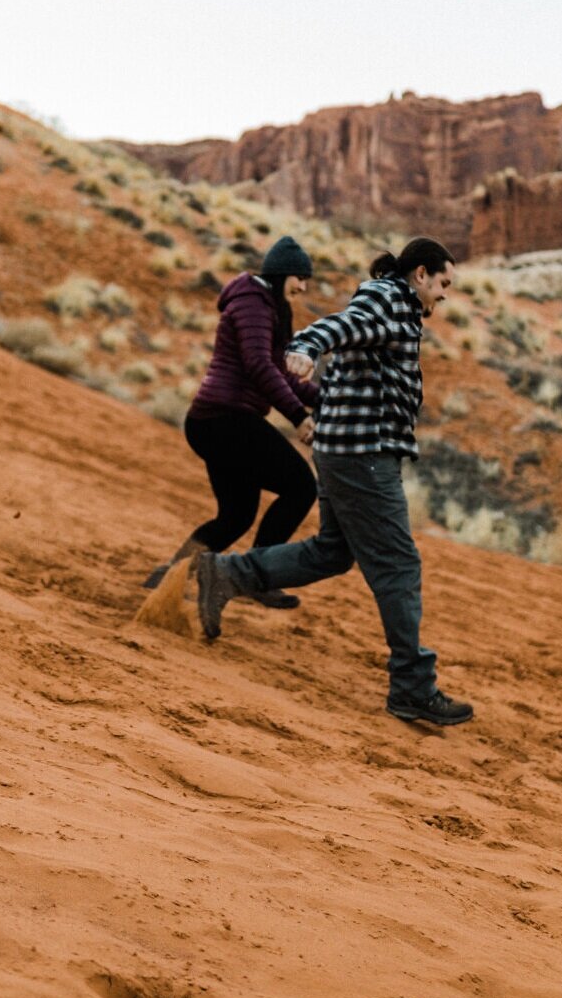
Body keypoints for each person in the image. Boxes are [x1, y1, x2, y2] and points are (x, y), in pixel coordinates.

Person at [191, 236, 474, 728]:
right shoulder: (389, 300)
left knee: (332, 552)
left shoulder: (395, 303)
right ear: (421, 274)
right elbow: (341, 326)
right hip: (362, 457)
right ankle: (412, 686)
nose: (444, 295)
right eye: (443, 283)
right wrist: (305, 347)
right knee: (398, 565)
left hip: (346, 451)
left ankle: (229, 573)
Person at [144, 235, 318, 610]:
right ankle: (257, 576)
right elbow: (259, 366)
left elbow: (280, 374)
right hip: (225, 420)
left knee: (236, 515)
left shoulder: (268, 306)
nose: (303, 287)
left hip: (219, 423)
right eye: (300, 278)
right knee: (301, 486)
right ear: (282, 273)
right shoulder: (253, 303)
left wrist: (329, 400)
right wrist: (299, 417)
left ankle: (169, 577)